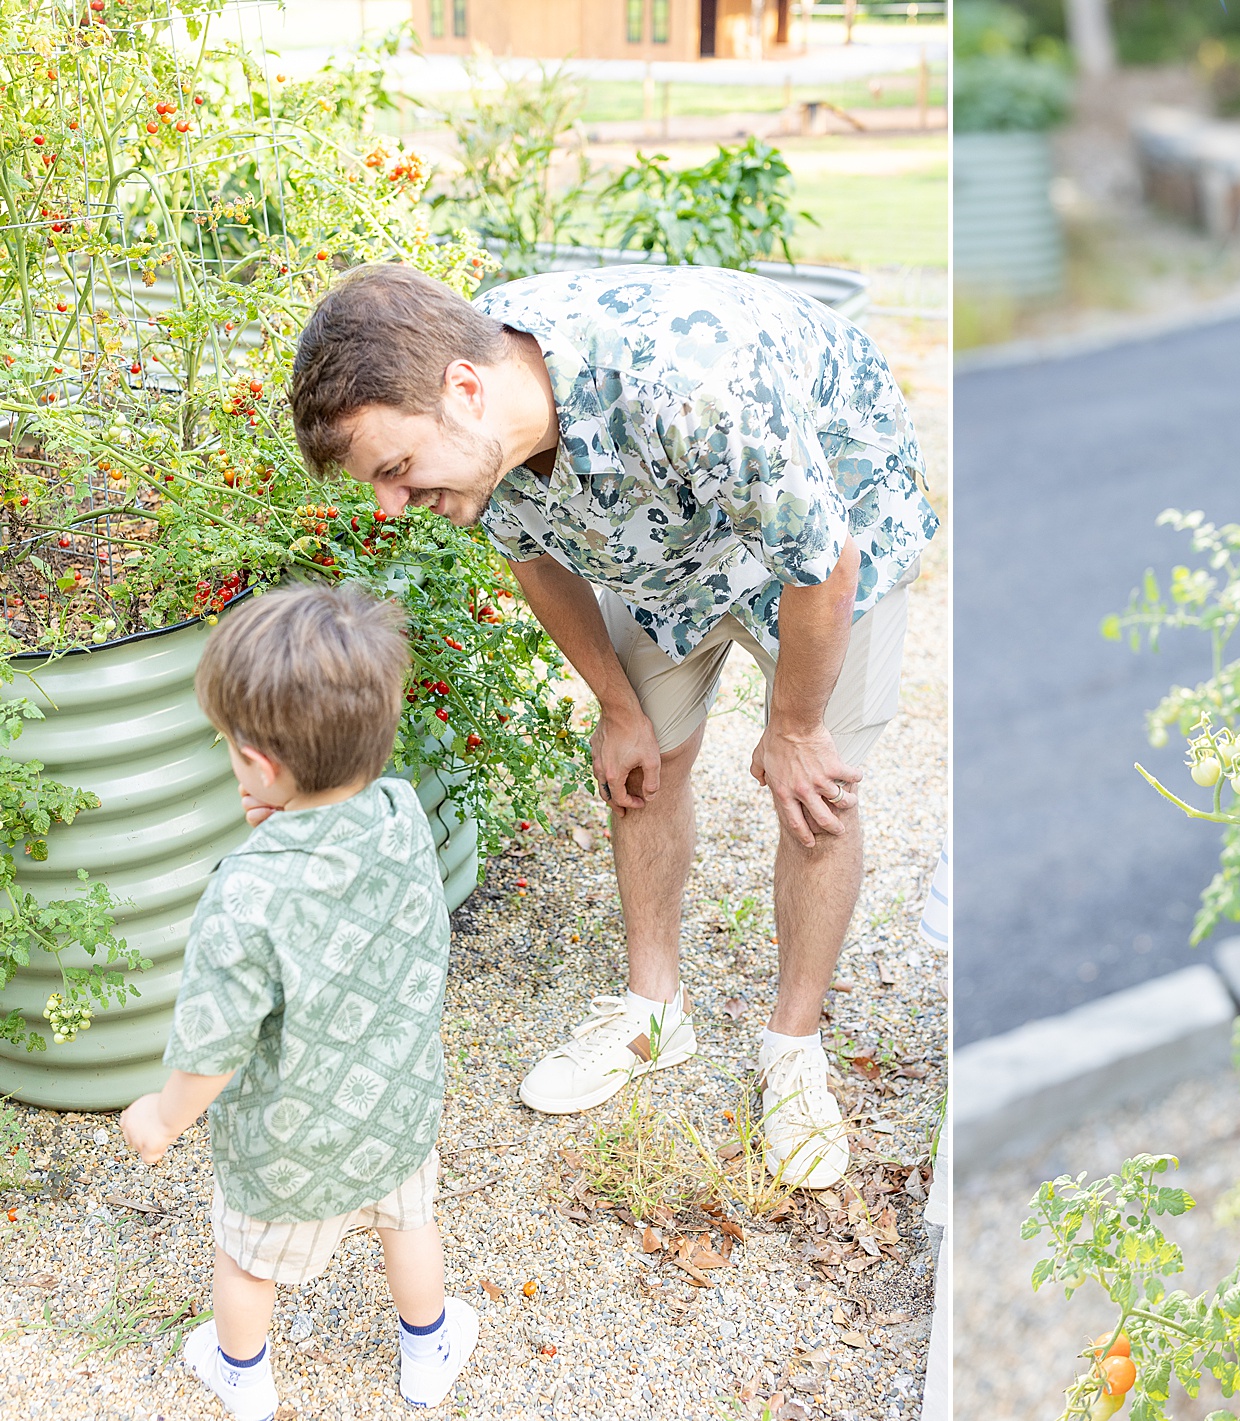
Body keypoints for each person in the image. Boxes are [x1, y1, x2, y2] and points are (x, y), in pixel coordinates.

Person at [288, 262, 937, 1189]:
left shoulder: (693, 384)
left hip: (831, 527)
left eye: (394, 471)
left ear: (463, 391)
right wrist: (617, 706)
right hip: (672, 549)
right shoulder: (482, 429)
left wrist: (791, 726)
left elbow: (821, 561)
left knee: (815, 794)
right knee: (639, 766)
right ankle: (652, 1012)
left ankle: (792, 1050)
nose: (391, 505)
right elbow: (533, 556)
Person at [119, 584, 478, 1420]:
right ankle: (427, 1354)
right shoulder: (396, 811)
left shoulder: (246, 893)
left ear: (261, 764)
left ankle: (241, 1372)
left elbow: (214, 1041)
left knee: (247, 1261)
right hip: (391, 1104)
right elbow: (338, 898)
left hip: (288, 1142)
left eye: (229, 741)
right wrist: (280, 822)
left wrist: (163, 1117)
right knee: (408, 1223)